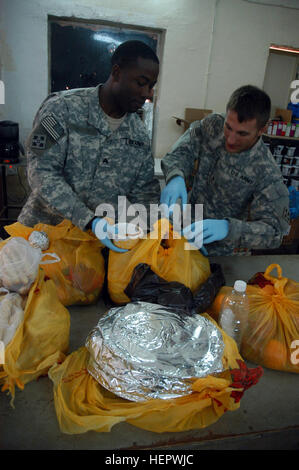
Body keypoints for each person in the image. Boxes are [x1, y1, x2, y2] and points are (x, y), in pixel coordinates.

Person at [18, 40, 161, 252]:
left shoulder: (139, 135)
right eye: (141, 83)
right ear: (117, 73)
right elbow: (40, 171)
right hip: (41, 239)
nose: (147, 93)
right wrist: (88, 220)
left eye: (151, 86)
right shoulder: (60, 108)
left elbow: (145, 195)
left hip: (92, 251)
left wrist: (157, 235)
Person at [160, 85, 290, 256]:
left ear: (262, 129)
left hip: (222, 254)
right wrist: (175, 175)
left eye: (242, 134)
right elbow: (181, 151)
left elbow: (274, 232)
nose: (230, 139)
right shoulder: (213, 126)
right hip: (182, 235)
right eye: (228, 127)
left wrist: (229, 228)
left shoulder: (266, 171)